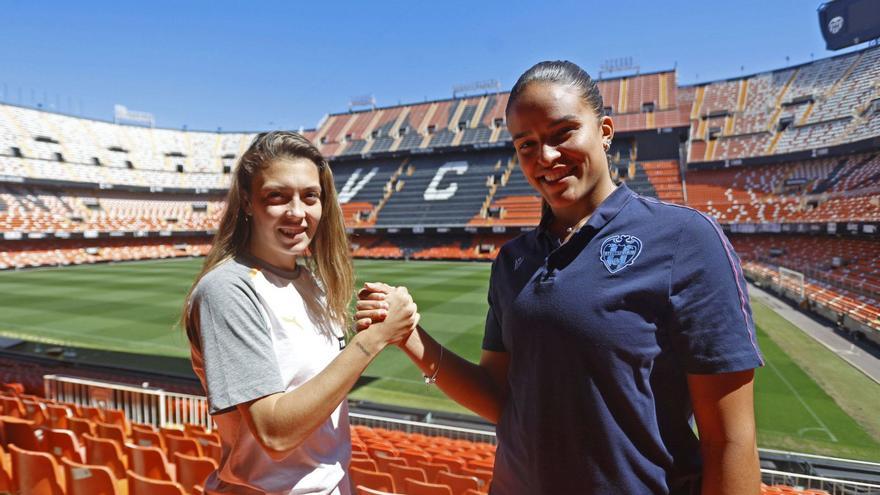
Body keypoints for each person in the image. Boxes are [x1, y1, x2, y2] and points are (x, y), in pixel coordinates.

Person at [356, 62, 764, 495]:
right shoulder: (513, 260)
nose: (545, 157)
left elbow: (731, 439)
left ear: (605, 130)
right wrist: (411, 338)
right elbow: (501, 399)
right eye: (527, 144)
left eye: (562, 133)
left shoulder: (683, 238)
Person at [182, 131, 418, 494]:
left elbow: (322, 413)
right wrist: (371, 342)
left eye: (310, 196)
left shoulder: (312, 283)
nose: (297, 212)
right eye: (277, 196)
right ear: (247, 202)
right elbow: (275, 434)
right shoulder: (227, 289)